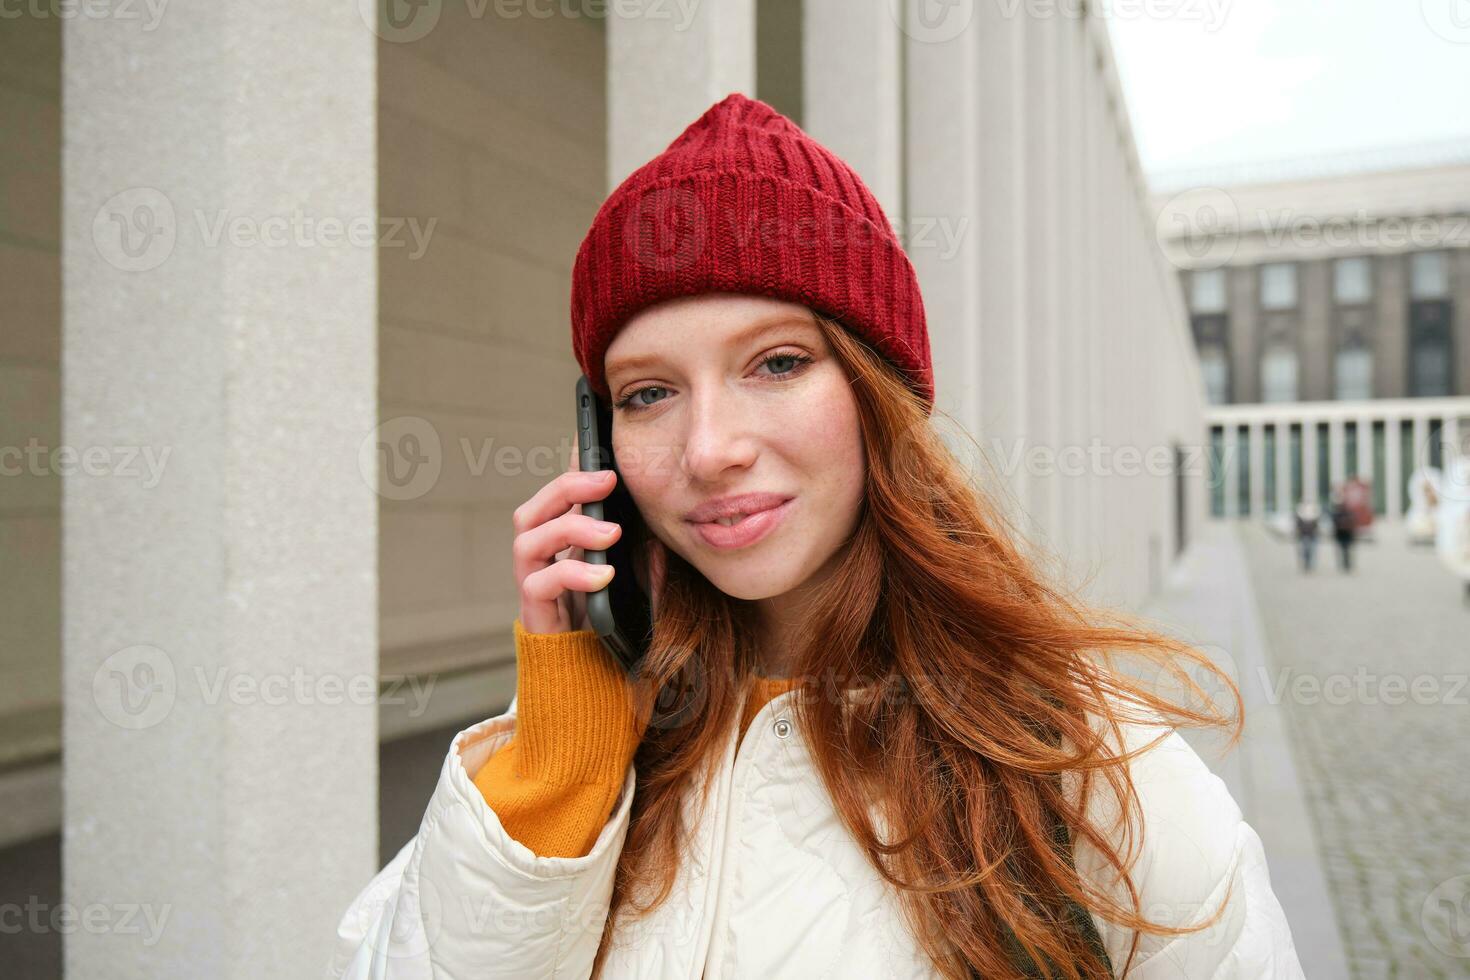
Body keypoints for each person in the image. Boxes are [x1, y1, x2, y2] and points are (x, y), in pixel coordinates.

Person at [327, 93, 1302, 979]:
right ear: (601, 438)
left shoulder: (1087, 768)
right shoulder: (579, 748)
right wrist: (564, 739)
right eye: (650, 393)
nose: (708, 449)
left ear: (879, 397)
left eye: (777, 362)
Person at [1328, 487, 1357, 572]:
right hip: (1340, 534)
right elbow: (1334, 523)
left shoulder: (1348, 512)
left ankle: (1347, 564)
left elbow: (1352, 522)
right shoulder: (1336, 512)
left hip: (1347, 534)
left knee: (1346, 550)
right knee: (1342, 550)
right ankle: (1344, 565)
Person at [1295, 499, 1321, 572]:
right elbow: (1298, 525)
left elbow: (1317, 526)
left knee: (1312, 551)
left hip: (1312, 535)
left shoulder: (1314, 515)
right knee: (1305, 551)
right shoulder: (1300, 515)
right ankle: (1306, 564)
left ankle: (1310, 565)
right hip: (1304, 535)